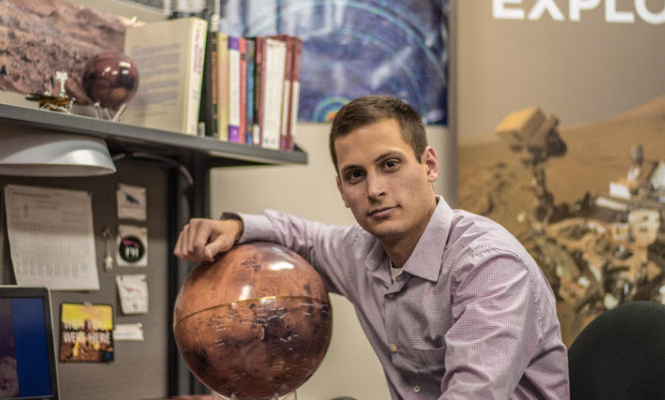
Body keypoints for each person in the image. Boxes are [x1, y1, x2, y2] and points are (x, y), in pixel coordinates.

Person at [174, 95, 570, 399]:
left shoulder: (490, 267)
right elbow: (301, 235)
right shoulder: (362, 252)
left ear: (429, 165)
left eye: (391, 164)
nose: (375, 189)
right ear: (342, 191)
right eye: (356, 175)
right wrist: (234, 226)